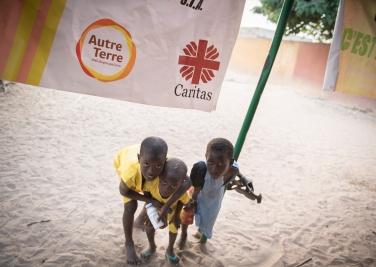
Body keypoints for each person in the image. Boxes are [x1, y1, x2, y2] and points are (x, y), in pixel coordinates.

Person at [113, 137, 192, 265]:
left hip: (146, 161)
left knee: (154, 195)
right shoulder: (130, 171)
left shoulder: (167, 164)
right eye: (146, 165)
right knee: (130, 206)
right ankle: (129, 243)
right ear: (139, 159)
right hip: (126, 163)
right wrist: (151, 201)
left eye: (158, 166)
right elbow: (123, 191)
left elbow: (188, 181)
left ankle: (139, 220)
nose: (151, 171)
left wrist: (165, 207)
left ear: (164, 162)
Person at [178, 137, 240, 249]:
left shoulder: (234, 170)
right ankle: (183, 234)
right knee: (188, 213)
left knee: (209, 217)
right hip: (197, 193)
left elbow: (229, 178)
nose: (215, 169)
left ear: (230, 163)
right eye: (210, 162)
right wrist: (193, 200)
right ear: (206, 157)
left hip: (214, 197)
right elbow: (196, 188)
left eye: (221, 164)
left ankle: (200, 231)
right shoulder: (200, 168)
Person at [141, 158, 190, 266]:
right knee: (148, 225)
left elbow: (183, 200)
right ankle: (152, 246)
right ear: (159, 177)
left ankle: (170, 249)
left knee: (174, 228)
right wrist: (149, 211)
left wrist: (177, 215)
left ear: (181, 184)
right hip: (155, 209)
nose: (166, 189)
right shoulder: (150, 184)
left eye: (173, 186)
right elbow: (147, 196)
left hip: (172, 213)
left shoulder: (181, 192)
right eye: (164, 182)